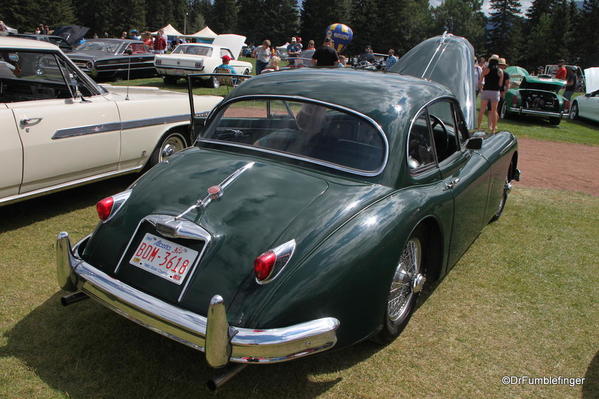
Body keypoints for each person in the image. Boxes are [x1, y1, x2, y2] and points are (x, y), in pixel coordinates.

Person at [477, 56, 503, 134]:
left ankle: (478, 127)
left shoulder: (485, 69)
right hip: (495, 92)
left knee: (482, 110)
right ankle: (493, 129)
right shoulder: (500, 71)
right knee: (494, 111)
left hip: (486, 90)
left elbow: (480, 81)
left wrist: (481, 89)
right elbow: (500, 84)